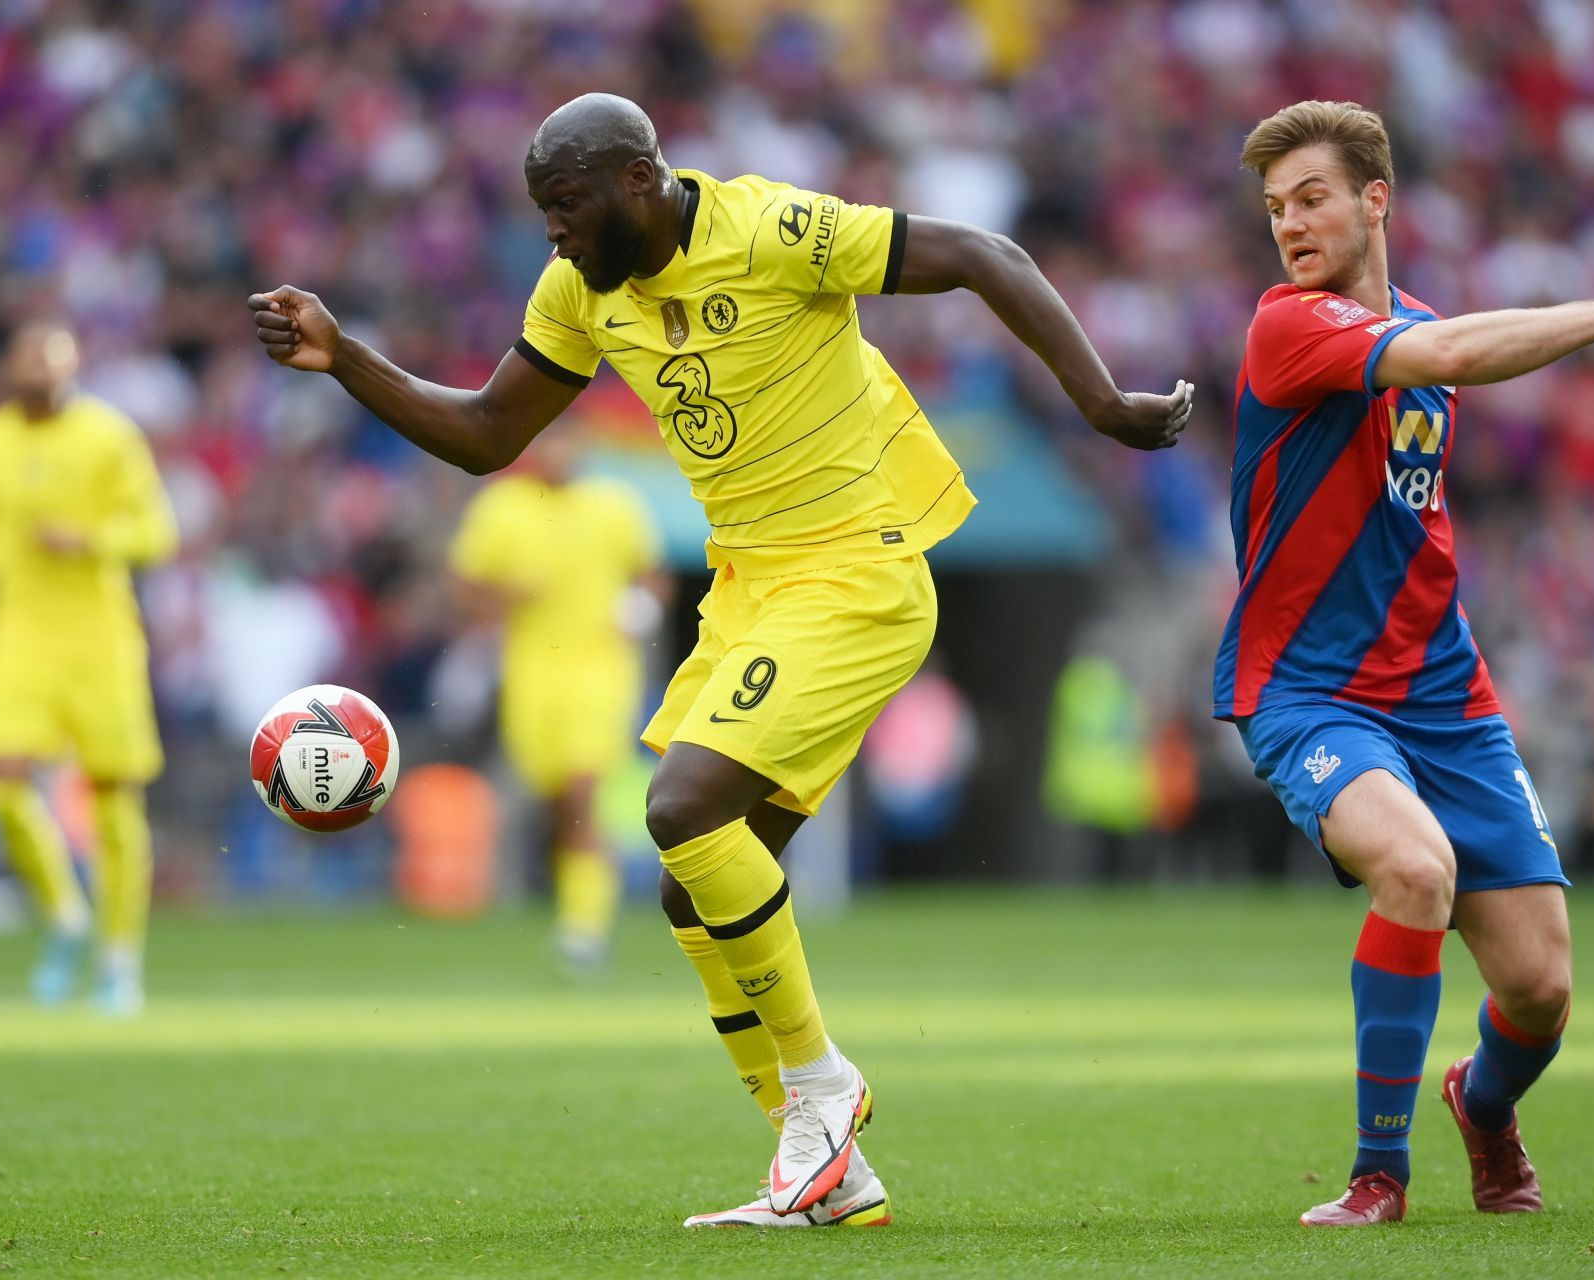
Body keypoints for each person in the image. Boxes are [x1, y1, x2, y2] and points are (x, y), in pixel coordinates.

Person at [250, 92, 1192, 1228]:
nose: (551, 233)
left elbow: (981, 254)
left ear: (637, 180)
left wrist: (1099, 402)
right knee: (694, 878)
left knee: (683, 805)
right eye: (541, 212)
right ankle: (822, 1161)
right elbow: (489, 433)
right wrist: (345, 356)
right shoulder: (581, 291)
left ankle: (823, 1095)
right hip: (753, 585)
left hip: (857, 565)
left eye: (565, 206)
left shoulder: (777, 230)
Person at [1218, 100, 1594, 1226]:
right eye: (1274, 208)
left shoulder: (1421, 341)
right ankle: (1376, 1175)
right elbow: (1450, 351)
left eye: (1311, 199)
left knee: (1539, 988)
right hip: (1309, 690)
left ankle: (1481, 1106)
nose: (1288, 225)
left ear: (1375, 199)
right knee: (1418, 870)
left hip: (1446, 695)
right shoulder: (1288, 327)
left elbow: (1410, 504)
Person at [0, 320, 179, 1016]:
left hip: (99, 637)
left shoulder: (110, 437)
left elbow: (156, 532)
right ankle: (64, 913)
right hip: (19, 633)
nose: (40, 371)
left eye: (53, 361)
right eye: (28, 359)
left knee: (115, 802)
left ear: (72, 366)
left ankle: (119, 959)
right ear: (10, 367)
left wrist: (88, 539)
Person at [448, 422, 666, 967]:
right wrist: (508, 594)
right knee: (556, 802)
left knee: (580, 793)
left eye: (568, 439)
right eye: (548, 440)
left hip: (600, 672)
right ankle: (572, 903)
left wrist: (640, 612)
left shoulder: (615, 505)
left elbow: (651, 577)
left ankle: (584, 928)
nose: (559, 451)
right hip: (531, 676)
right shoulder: (502, 508)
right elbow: (467, 589)